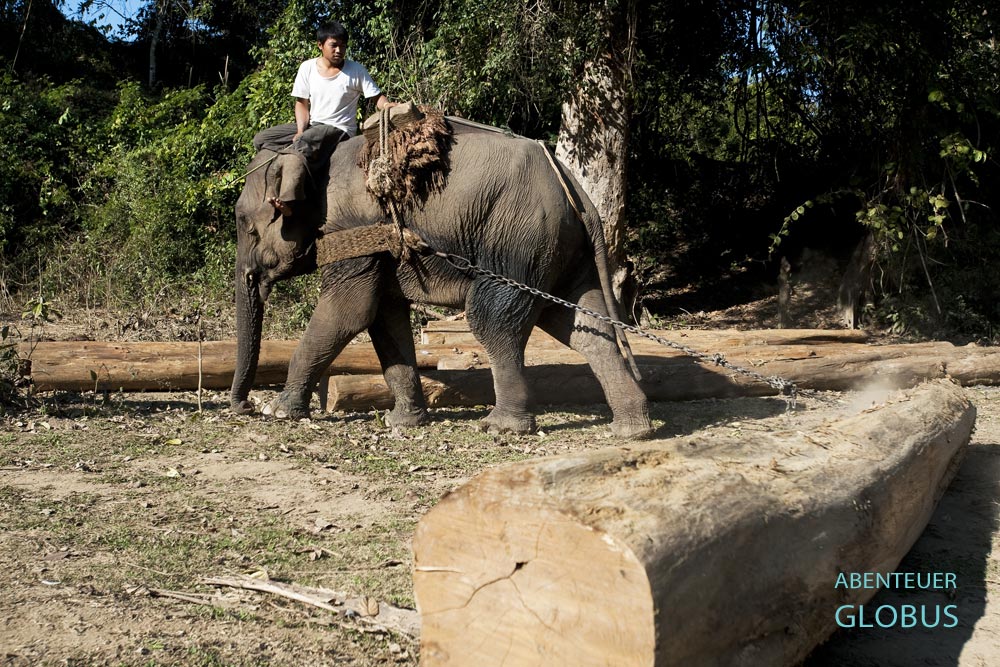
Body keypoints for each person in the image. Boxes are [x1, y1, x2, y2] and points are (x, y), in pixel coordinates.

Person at [252, 21, 397, 216]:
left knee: (303, 143)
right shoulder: (307, 68)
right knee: (262, 139)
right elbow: (301, 103)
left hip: (338, 129)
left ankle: (289, 202)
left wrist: (387, 105)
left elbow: (376, 97)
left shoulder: (356, 70)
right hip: (313, 125)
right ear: (320, 45)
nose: (339, 50)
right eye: (334, 45)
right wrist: (300, 130)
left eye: (343, 46)